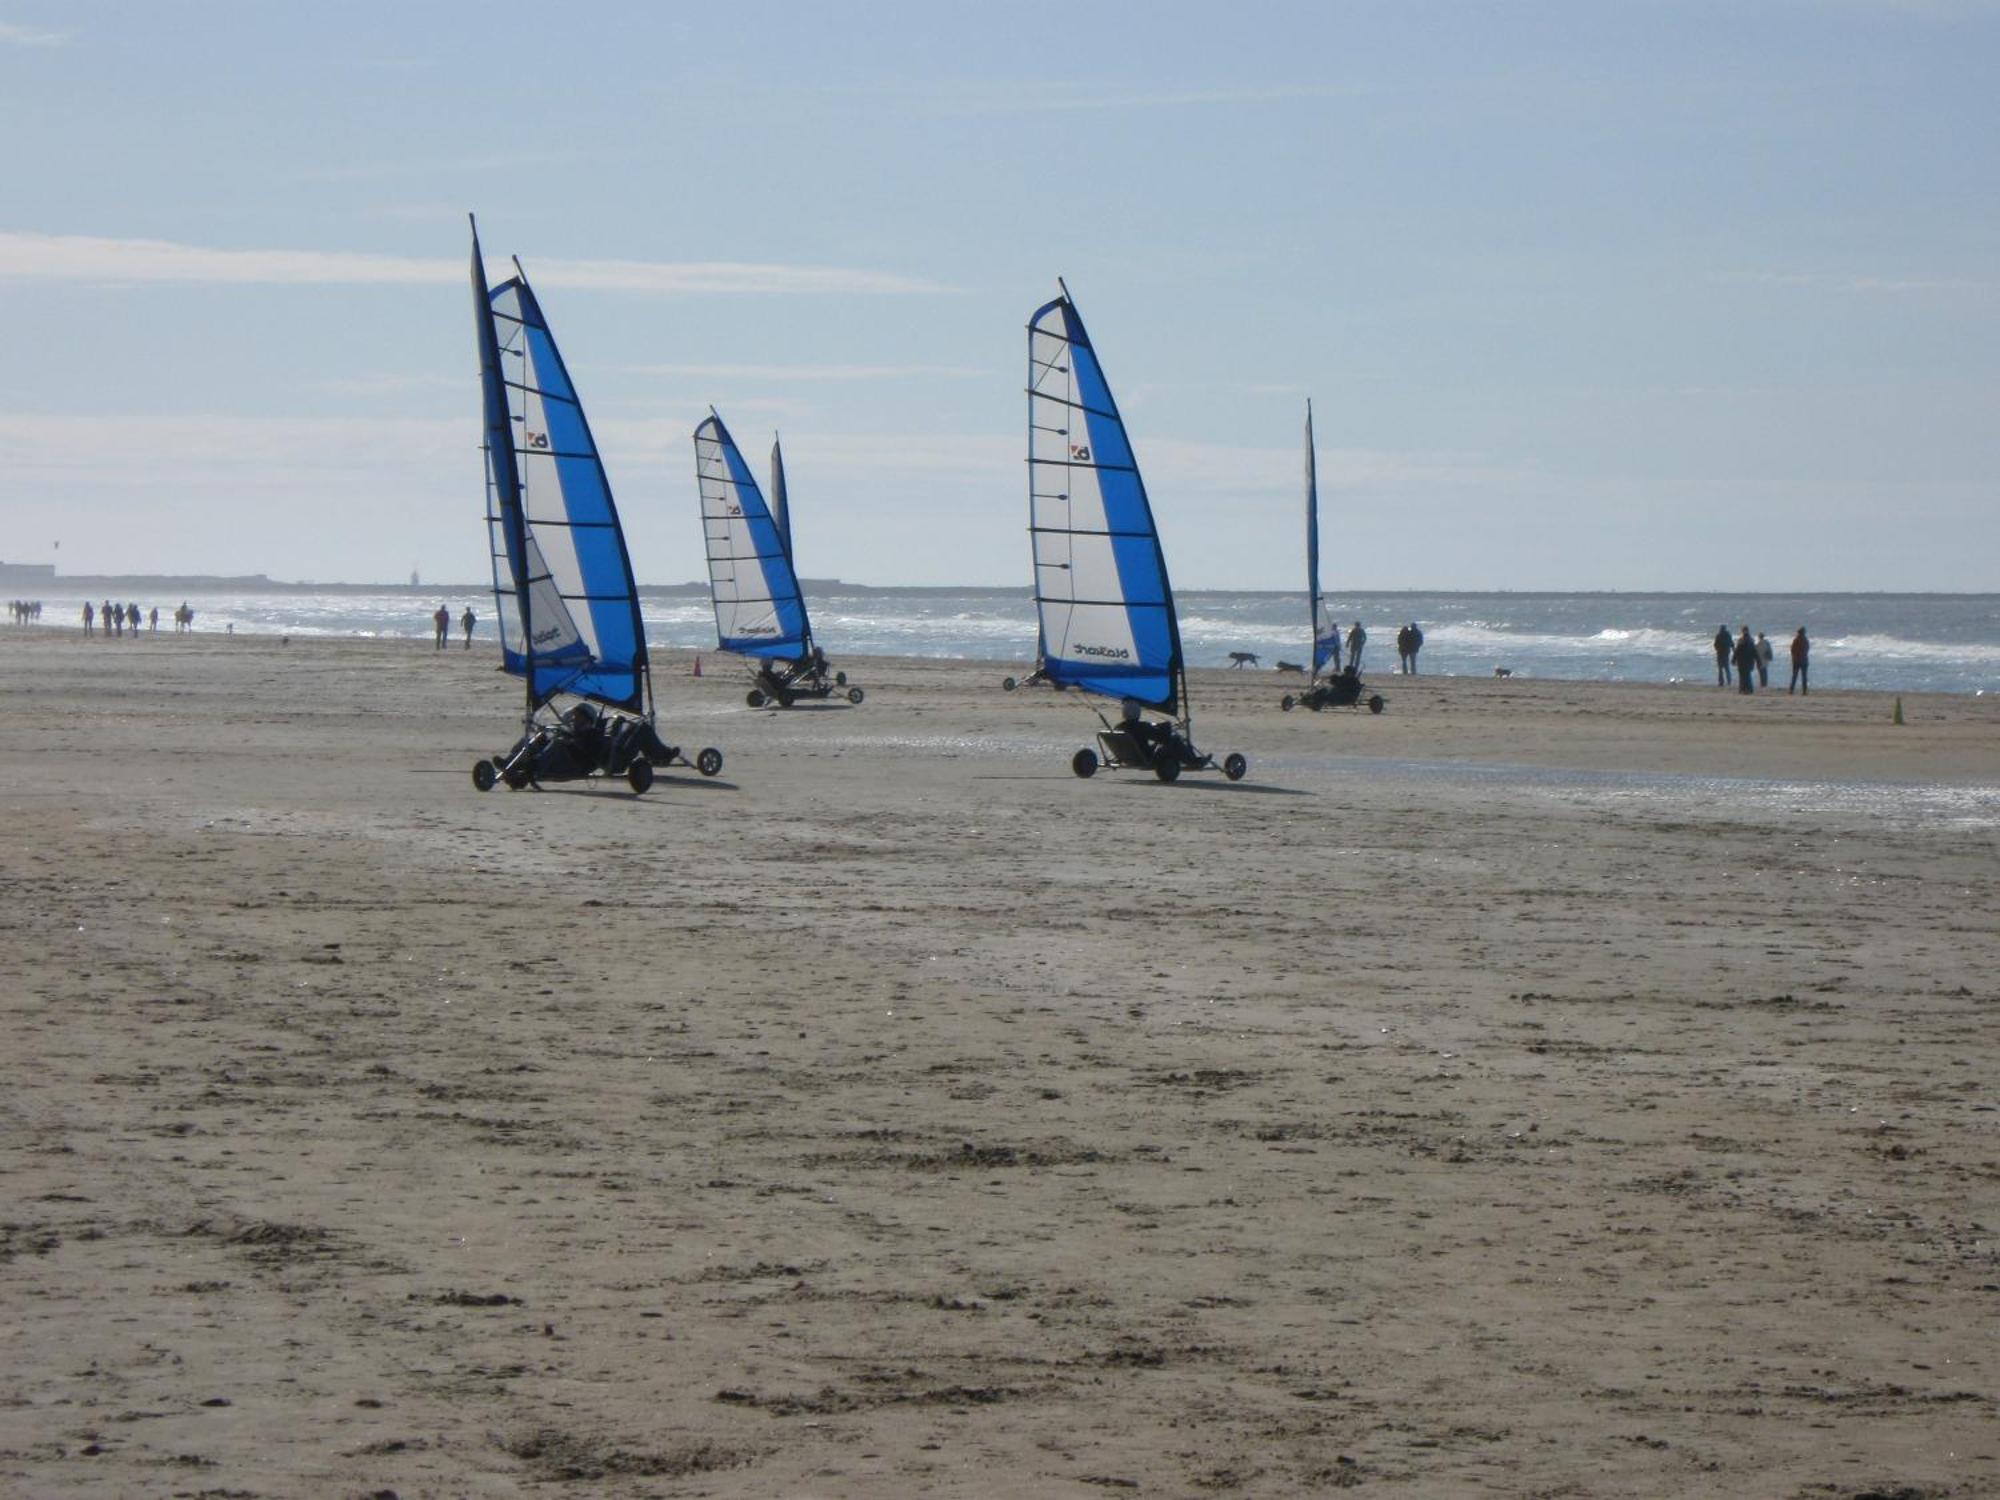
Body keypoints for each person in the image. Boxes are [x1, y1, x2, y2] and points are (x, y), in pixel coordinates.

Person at [1733, 625, 1757, 694]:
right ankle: (1748, 689)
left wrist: (1733, 660)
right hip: (1749, 661)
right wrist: (1758, 660)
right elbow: (1754, 652)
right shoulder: (1751, 640)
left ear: (1742, 631)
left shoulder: (1741, 640)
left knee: (1743, 676)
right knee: (1747, 675)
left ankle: (1743, 689)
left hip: (1742, 662)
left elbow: (1737, 651)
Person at [1789, 628, 1810, 695]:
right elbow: (1807, 649)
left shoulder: (1796, 640)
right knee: (1804, 676)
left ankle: (1791, 690)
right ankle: (1804, 691)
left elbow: (1792, 650)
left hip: (1796, 660)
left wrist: (1794, 657)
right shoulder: (1805, 640)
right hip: (1804, 660)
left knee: (1794, 676)